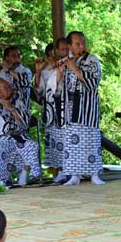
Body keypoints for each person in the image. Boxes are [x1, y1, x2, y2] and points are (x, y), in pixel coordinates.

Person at [56, 31, 105, 186]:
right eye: (77, 43)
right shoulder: (67, 61)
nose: (81, 46)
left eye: (83, 42)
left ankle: (94, 174)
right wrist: (60, 71)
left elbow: (93, 83)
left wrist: (75, 68)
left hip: (87, 108)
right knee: (72, 141)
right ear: (69, 46)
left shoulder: (92, 61)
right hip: (71, 108)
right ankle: (74, 175)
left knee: (91, 140)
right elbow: (59, 87)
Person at [0, 78, 41, 186]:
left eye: (9, 86)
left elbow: (25, 125)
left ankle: (27, 174)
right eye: (6, 88)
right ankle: (3, 181)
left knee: (32, 145)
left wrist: (12, 109)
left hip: (20, 136)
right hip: (2, 139)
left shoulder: (19, 104)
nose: (10, 89)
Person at [34, 38, 69, 183]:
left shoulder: (68, 64)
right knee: (55, 139)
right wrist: (38, 71)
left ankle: (72, 169)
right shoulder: (45, 70)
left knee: (67, 138)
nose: (53, 57)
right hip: (51, 108)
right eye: (50, 55)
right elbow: (38, 90)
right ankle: (58, 171)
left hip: (66, 106)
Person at [0, 46, 33, 115]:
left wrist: (7, 69)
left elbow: (24, 81)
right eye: (14, 56)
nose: (17, 58)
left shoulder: (25, 71)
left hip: (20, 111)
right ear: (6, 58)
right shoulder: (0, 72)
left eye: (19, 55)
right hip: (0, 111)